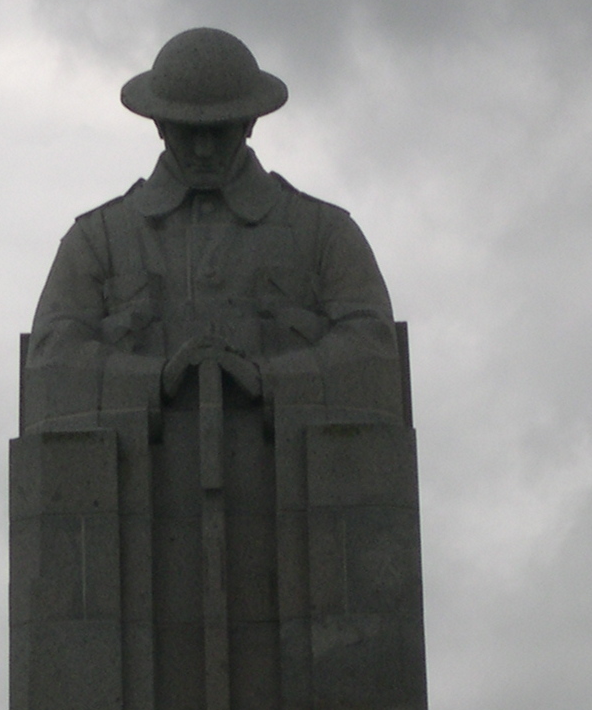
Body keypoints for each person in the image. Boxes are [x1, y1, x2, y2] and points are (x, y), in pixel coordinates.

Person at [24, 27, 402, 427]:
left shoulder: (326, 233)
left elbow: (373, 351)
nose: (203, 149)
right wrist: (154, 380)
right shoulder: (96, 240)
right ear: (160, 124)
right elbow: (52, 358)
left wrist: (270, 380)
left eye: (218, 130)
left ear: (249, 122)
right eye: (189, 131)